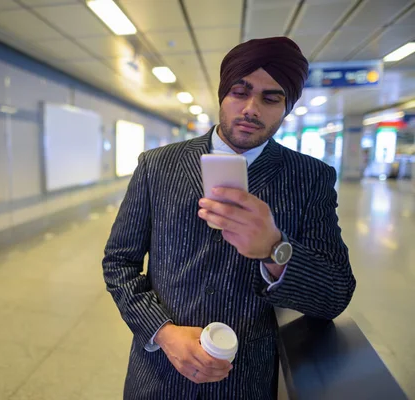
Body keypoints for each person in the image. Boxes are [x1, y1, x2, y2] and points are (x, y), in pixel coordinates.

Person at [102, 36, 356, 400]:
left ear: (287, 107)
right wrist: (163, 333)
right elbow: (119, 262)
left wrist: (275, 249)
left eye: (271, 98)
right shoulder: (157, 166)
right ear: (222, 94)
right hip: (159, 377)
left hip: (246, 381)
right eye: (240, 91)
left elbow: (334, 295)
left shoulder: (309, 178)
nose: (251, 108)